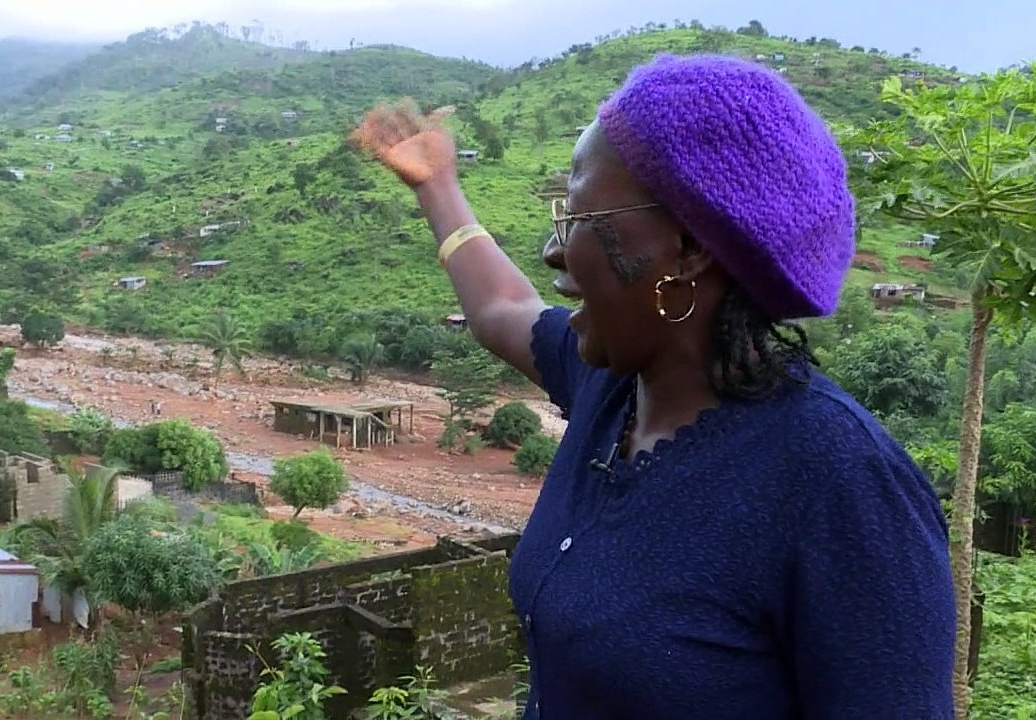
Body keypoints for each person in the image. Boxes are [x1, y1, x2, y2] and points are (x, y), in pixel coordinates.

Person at [352, 54, 955, 719]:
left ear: (689, 248)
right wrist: (436, 185)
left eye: (579, 217)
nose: (555, 251)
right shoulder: (612, 389)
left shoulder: (842, 486)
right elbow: (501, 311)